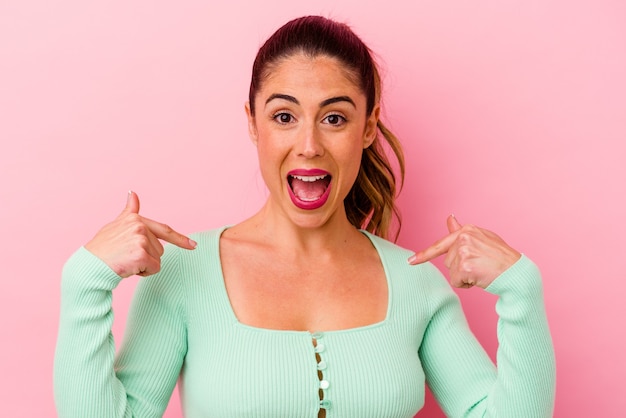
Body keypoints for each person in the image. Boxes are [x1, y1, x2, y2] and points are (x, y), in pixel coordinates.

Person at [54, 15, 556, 418]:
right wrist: (84, 281)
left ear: (367, 127)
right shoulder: (183, 273)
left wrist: (521, 289)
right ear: (253, 123)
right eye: (284, 116)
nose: (310, 145)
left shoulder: (416, 283)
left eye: (335, 118)